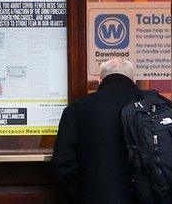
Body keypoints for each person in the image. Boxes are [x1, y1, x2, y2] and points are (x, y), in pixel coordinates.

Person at [50, 58, 142, 203]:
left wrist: (82, 195)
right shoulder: (158, 105)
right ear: (133, 80)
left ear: (100, 81)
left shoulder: (77, 109)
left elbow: (64, 163)